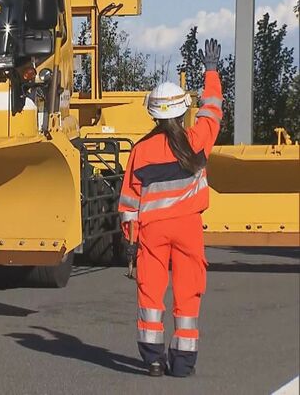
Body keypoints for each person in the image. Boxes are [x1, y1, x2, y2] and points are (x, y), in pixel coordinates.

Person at [118, 38, 223, 378]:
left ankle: (152, 359)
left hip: (152, 231)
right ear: (181, 110)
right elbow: (212, 110)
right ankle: (182, 363)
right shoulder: (196, 139)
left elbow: (129, 202)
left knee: (150, 294)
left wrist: (131, 240)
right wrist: (210, 72)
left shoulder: (141, 150)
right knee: (188, 295)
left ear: (152, 112)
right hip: (188, 228)